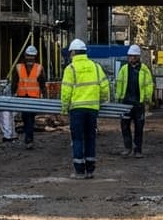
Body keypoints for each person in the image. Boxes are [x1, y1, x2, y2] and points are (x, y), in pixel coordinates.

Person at [60, 38, 110, 179]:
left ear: (73, 53)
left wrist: (64, 108)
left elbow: (66, 91)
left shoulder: (70, 69)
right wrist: (101, 100)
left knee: (77, 139)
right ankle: (90, 170)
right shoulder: (95, 67)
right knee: (90, 138)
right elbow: (105, 86)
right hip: (92, 109)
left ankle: (79, 171)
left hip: (77, 109)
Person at [115, 44, 154, 157]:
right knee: (125, 126)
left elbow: (149, 85)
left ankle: (138, 150)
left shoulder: (144, 70)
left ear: (138, 57)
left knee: (139, 127)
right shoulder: (124, 69)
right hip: (126, 103)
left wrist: (147, 99)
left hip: (138, 103)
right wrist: (118, 97)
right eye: (130, 56)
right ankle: (128, 148)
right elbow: (119, 84)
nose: (131, 58)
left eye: (133, 56)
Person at [11, 44, 47, 150]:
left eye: (32, 56)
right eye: (28, 56)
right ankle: (29, 138)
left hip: (33, 97)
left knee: (29, 117)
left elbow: (42, 84)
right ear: (25, 56)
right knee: (26, 117)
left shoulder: (39, 68)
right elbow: (14, 82)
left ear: (35, 57)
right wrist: (12, 94)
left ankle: (29, 139)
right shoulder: (19, 67)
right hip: (22, 96)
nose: (30, 58)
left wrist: (45, 97)